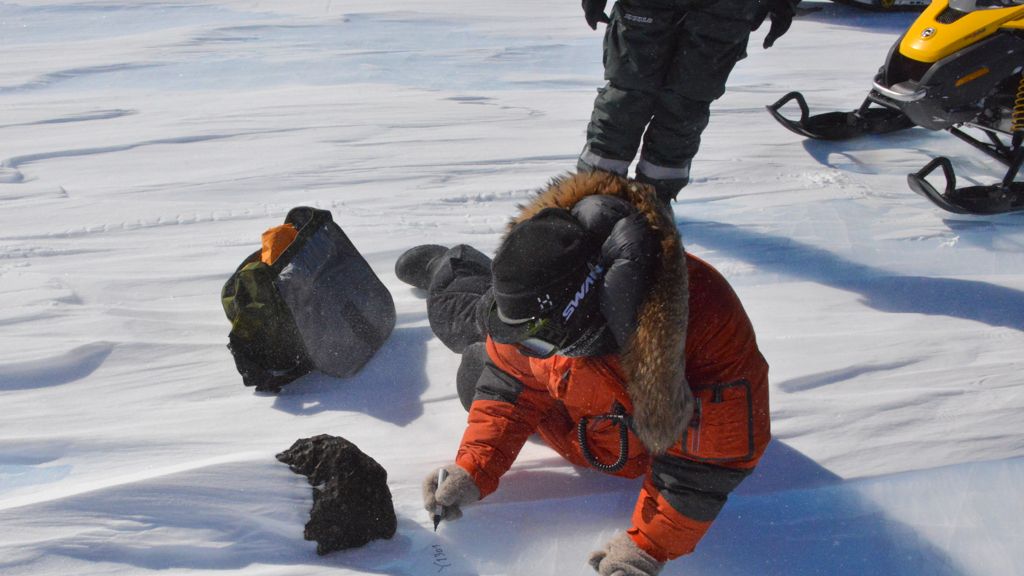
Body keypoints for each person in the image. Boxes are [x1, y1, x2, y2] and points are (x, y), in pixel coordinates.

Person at [396, 171, 770, 575]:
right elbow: (508, 382)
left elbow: (703, 470)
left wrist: (648, 547)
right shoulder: (544, 316)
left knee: (485, 357)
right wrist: (474, 468)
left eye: (536, 341)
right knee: (474, 335)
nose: (525, 348)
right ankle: (451, 270)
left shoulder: (702, 320)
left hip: (612, 430)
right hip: (579, 411)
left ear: (584, 318)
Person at [576, 0, 798, 207]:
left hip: (724, 11)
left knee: (685, 107)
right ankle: (596, 194)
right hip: (650, 7)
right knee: (628, 97)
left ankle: (654, 199)